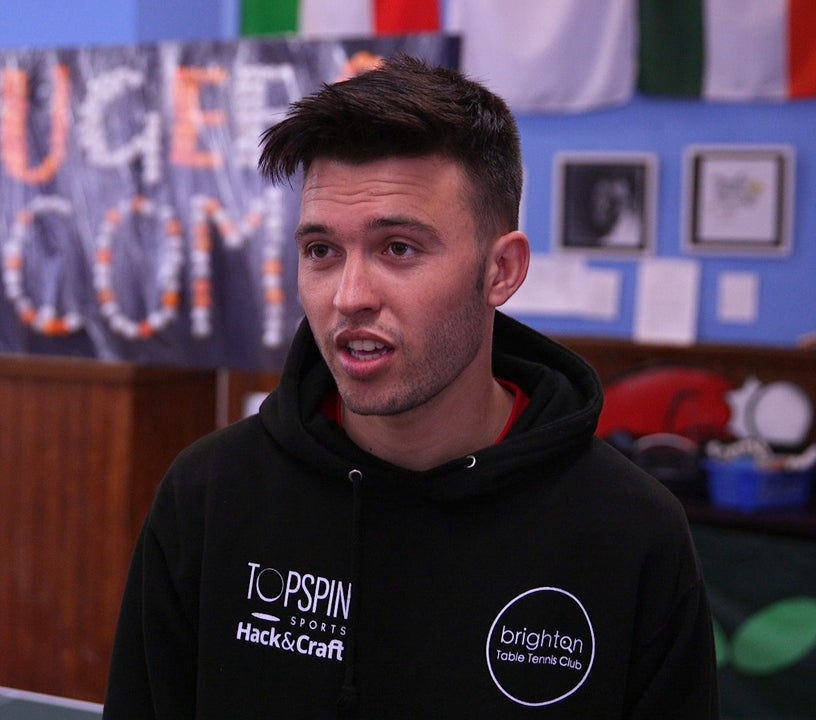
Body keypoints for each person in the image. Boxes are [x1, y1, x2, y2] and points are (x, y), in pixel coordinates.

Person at [102, 55, 719, 718]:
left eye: (398, 248)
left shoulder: (631, 533)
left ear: (501, 271)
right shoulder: (209, 497)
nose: (349, 296)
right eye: (321, 250)